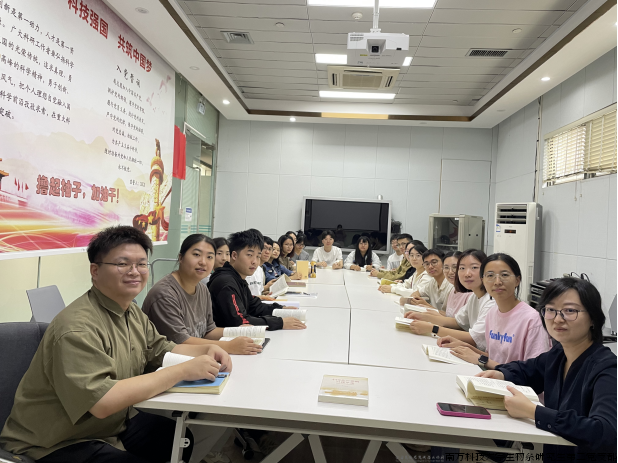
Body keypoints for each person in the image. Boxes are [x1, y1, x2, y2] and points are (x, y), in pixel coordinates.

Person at [0, 226, 232, 463]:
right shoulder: (77, 327)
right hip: (57, 440)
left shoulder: (131, 311)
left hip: (111, 424)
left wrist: (207, 349)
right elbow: (102, 402)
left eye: (141, 264)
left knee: (176, 439)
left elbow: (161, 349)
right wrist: (182, 371)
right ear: (95, 270)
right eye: (123, 264)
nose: (135, 271)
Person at [477, 278, 617, 461]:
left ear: (593, 318)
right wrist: (501, 373)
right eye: (550, 310)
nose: (558, 319)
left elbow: (604, 432)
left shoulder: (607, 368)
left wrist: (533, 412)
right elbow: (528, 370)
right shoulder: (559, 354)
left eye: (570, 311)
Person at [143, 234, 262, 356]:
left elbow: (209, 331)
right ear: (181, 257)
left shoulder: (202, 289)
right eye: (196, 255)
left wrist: (240, 332)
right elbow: (181, 342)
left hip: (195, 359)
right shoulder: (165, 294)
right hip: (169, 363)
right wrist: (229, 346)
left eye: (209, 257)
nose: (203, 262)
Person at [441, 253, 552, 370]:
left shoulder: (532, 320)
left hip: (512, 381)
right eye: (490, 275)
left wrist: (481, 360)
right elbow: (494, 358)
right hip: (493, 376)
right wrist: (465, 346)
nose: (497, 282)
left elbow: (534, 371)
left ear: (517, 280)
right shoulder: (492, 313)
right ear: (483, 280)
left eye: (504, 275)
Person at [208, 229, 306, 331]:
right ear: (234, 255)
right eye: (249, 255)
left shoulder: (238, 278)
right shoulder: (225, 282)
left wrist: (281, 309)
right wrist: (280, 322)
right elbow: (239, 321)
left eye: (258, 256)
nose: (255, 261)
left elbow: (254, 306)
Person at [406, 249, 496, 351]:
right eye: (462, 268)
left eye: (474, 267)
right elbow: (456, 321)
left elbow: (474, 338)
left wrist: (432, 328)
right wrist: (423, 316)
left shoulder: (491, 301)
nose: (467, 274)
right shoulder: (475, 297)